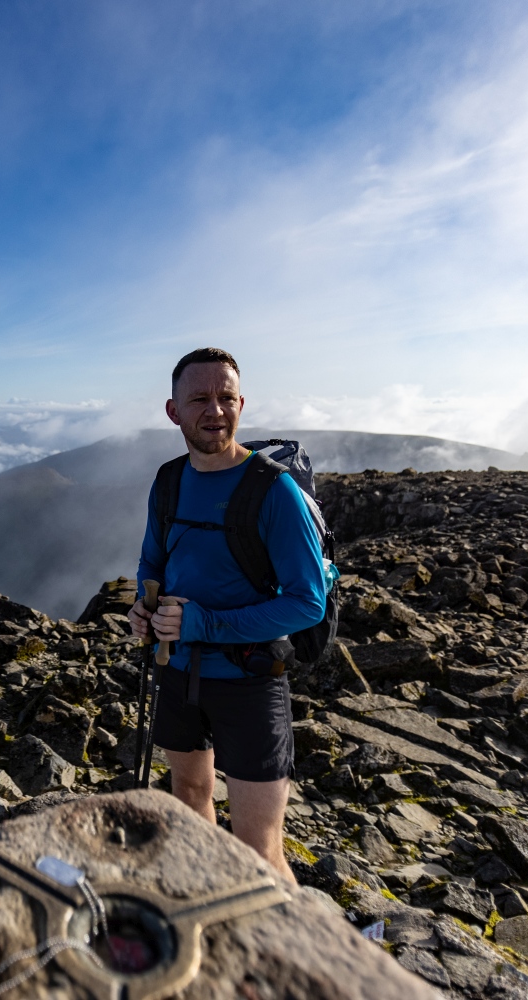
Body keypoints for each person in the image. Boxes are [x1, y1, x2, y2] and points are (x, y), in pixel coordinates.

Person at [128, 347, 327, 884]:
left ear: (242, 404)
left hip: (250, 680)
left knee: (259, 849)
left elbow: (308, 602)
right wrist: (142, 612)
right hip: (176, 672)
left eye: (226, 397)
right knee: (190, 800)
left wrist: (203, 625)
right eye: (199, 399)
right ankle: (214, 918)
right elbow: (153, 560)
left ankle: (288, 957)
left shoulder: (274, 492)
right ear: (174, 411)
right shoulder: (168, 481)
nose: (215, 410)